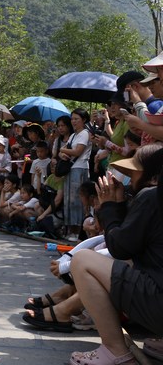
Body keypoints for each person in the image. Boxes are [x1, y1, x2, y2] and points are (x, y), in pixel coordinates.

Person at [61, 145, 163, 365]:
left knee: (82, 261)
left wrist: (108, 207)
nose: (129, 179)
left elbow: (120, 247)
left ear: (153, 177)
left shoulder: (151, 196)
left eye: (133, 173)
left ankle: (116, 352)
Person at [58, 108, 93, 241]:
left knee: (77, 199)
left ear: (83, 120)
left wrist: (63, 150)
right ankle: (70, 229)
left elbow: (78, 151)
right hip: (70, 169)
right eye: (72, 119)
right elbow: (63, 152)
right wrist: (63, 152)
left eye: (76, 119)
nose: (73, 121)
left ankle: (78, 230)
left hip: (80, 168)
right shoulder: (73, 135)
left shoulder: (85, 133)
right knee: (68, 199)